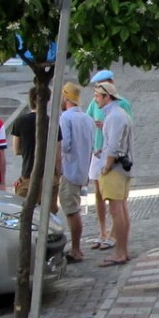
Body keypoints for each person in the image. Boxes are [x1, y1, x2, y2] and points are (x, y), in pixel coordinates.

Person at [86, 69, 132, 251]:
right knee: (100, 194)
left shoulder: (120, 109)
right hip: (100, 153)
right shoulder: (97, 104)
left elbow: (118, 138)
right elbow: (88, 118)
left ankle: (118, 243)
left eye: (98, 93)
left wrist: (107, 166)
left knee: (117, 204)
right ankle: (103, 232)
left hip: (112, 161)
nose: (95, 96)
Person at [58, 82, 95, 263]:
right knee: (74, 208)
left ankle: (76, 249)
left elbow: (64, 144)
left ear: (65, 98)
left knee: (72, 211)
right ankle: (76, 247)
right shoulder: (87, 118)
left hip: (69, 169)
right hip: (82, 170)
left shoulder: (65, 118)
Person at [11, 86, 62, 213]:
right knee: (49, 218)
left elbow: (16, 150)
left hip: (28, 174)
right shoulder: (52, 122)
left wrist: (29, 148)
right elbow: (57, 155)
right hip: (49, 177)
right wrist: (58, 175)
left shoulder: (20, 121)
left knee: (25, 214)